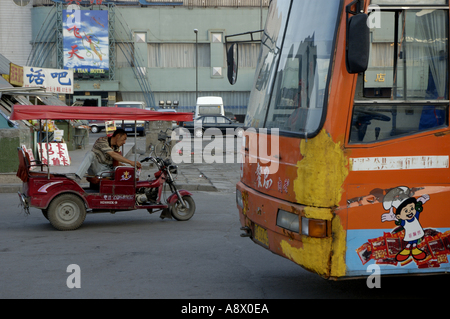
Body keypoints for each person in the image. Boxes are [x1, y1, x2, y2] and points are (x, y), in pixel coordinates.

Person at [75, 129, 142, 180]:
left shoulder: (116, 147)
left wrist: (127, 166)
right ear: (118, 136)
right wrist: (131, 162)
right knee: (90, 154)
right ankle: (77, 177)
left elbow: (116, 162)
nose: (124, 142)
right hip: (97, 167)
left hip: (108, 170)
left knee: (123, 171)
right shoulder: (102, 141)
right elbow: (113, 154)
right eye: (124, 139)